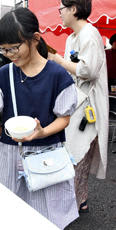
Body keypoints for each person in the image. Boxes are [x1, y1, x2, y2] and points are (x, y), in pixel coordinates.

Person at [0, 8, 79, 229]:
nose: (10, 54)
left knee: (46, 217)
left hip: (47, 153)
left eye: (14, 48)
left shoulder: (58, 75)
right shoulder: (4, 74)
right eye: (4, 50)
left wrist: (43, 132)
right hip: (11, 155)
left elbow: (64, 118)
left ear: (35, 39)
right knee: (7, 215)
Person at [48, 0, 109, 213]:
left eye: (61, 9)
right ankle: (78, 200)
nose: (60, 14)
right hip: (76, 103)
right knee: (76, 157)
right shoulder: (73, 37)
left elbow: (88, 71)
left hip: (87, 107)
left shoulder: (89, 34)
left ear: (73, 9)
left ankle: (67, 208)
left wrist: (56, 59)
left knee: (76, 154)